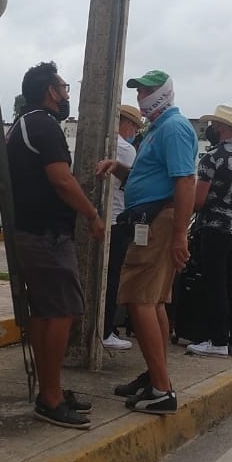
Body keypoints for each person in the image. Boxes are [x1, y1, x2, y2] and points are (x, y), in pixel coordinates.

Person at [7, 61, 106, 429]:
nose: (67, 94)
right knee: (63, 309)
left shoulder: (23, 124)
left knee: (47, 312)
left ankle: (52, 390)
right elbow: (62, 180)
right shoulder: (43, 125)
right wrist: (92, 215)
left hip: (33, 231)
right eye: (64, 88)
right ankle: (50, 399)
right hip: (45, 234)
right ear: (50, 91)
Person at [96, 70, 196, 415]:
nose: (141, 97)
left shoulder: (172, 128)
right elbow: (154, 177)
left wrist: (180, 234)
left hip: (158, 224)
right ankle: (157, 377)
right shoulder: (156, 129)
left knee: (139, 301)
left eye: (147, 90)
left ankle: (162, 389)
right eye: (138, 91)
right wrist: (120, 169)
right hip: (153, 221)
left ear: (164, 92)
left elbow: (185, 181)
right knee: (153, 303)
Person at [185, 105, 232, 359]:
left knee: (215, 284)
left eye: (213, 126)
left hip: (216, 228)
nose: (211, 130)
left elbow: (200, 200)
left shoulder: (210, 158)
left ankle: (216, 341)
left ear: (222, 127)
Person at [102, 104, 143, 352]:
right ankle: (106, 329)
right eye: (135, 127)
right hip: (117, 218)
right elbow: (133, 184)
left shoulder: (100, 143)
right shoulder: (126, 149)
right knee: (112, 277)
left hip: (96, 217)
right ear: (127, 124)